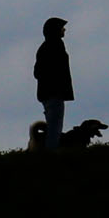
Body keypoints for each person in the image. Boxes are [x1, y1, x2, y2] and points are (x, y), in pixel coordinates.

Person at [34, 16, 74, 150]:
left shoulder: (46, 47)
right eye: (62, 27)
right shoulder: (55, 46)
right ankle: (51, 154)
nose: (64, 30)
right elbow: (42, 72)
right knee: (54, 129)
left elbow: (37, 72)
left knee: (53, 127)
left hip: (48, 94)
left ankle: (49, 152)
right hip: (54, 94)